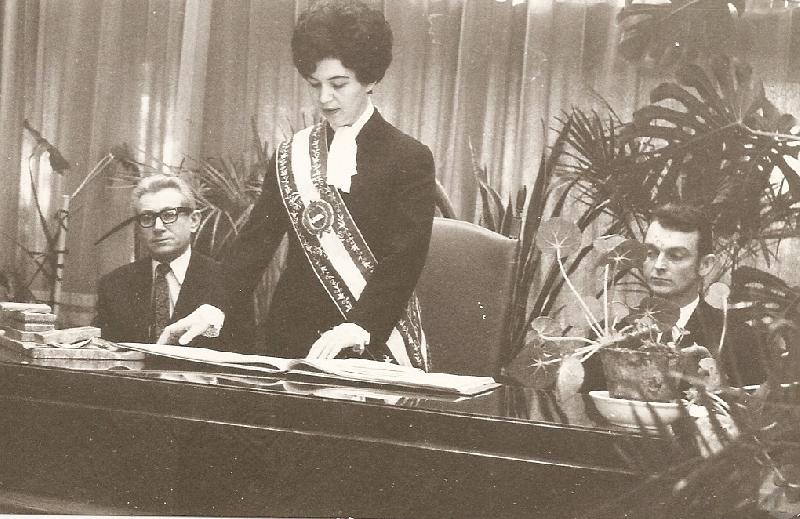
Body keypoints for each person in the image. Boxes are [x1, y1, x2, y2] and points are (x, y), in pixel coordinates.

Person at [162, 0, 435, 369]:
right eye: (314, 84)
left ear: (370, 79)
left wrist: (362, 326)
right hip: (291, 341)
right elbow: (256, 241)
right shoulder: (292, 153)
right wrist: (215, 306)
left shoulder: (409, 157)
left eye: (339, 84)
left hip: (372, 342)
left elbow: (404, 259)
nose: (324, 98)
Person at [583, 203, 766, 391]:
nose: (659, 265)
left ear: (705, 265)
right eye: (651, 253)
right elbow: (587, 405)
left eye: (676, 256)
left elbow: (753, 406)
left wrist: (721, 390)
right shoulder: (611, 335)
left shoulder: (739, 340)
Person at [94, 174, 226, 345]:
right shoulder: (114, 284)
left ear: (194, 221)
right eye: (147, 218)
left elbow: (244, 352)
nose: (158, 227)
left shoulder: (224, 281)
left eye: (169, 215)